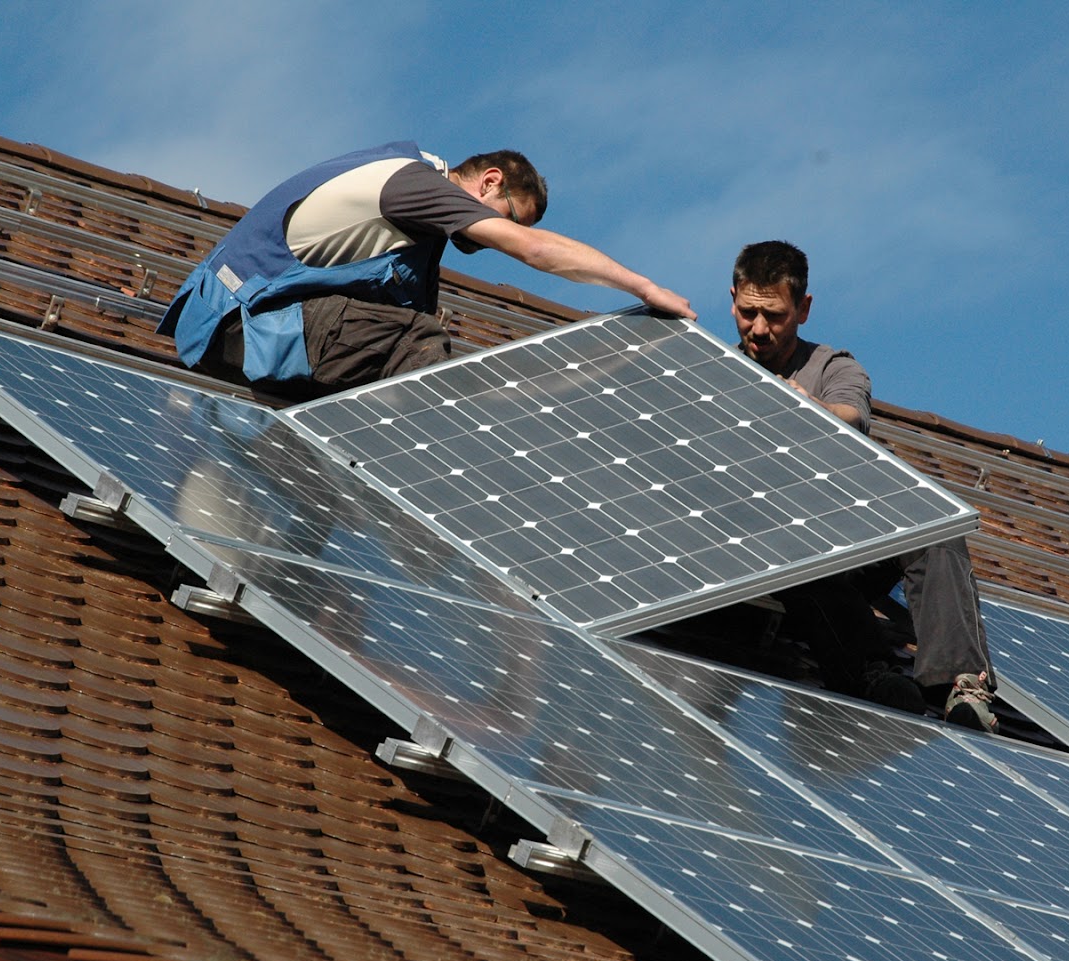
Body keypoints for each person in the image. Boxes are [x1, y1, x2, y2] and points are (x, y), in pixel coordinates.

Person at [160, 143, 693, 400]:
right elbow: (532, 250)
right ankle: (417, 516)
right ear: (488, 183)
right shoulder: (414, 185)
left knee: (401, 356)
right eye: (508, 214)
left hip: (261, 330)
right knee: (416, 343)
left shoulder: (418, 239)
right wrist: (643, 287)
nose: (493, 239)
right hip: (235, 323)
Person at [729, 240, 998, 733]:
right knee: (798, 561)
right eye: (748, 314)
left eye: (776, 316)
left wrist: (802, 408)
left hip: (845, 535)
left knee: (934, 526)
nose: (760, 330)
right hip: (768, 548)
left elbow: (850, 414)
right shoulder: (714, 375)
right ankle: (870, 676)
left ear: (804, 309)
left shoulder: (832, 369)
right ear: (732, 300)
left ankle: (961, 686)